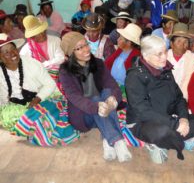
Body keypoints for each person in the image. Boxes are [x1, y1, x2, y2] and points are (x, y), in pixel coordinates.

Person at [125, 35, 194, 164]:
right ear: (146, 56)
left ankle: (165, 142)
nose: (164, 57)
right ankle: (175, 140)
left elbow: (179, 98)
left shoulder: (166, 70)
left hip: (168, 117)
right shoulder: (134, 77)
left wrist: (183, 118)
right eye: (159, 54)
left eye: (165, 52)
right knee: (162, 132)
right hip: (143, 122)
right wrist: (175, 124)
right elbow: (143, 112)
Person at [59, 31, 132, 162]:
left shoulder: (98, 63)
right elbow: (73, 96)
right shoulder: (65, 71)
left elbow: (112, 84)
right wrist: (96, 106)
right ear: (71, 53)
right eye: (79, 48)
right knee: (95, 98)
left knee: (108, 92)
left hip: (105, 110)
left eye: (85, 44)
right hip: (84, 114)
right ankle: (118, 141)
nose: (86, 49)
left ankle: (107, 140)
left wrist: (113, 100)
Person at [0, 33, 79, 146]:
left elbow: (50, 85)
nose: (13, 54)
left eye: (13, 49)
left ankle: (31, 123)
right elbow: (3, 97)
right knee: (8, 116)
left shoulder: (32, 64)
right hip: (19, 105)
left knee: (46, 111)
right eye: (6, 52)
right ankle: (31, 123)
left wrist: (36, 100)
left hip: (43, 97)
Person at [20, 15, 64, 84]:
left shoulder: (55, 40)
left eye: (42, 31)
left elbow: (61, 58)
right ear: (32, 36)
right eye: (38, 33)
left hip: (57, 76)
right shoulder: (26, 50)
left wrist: (43, 65)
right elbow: (24, 69)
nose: (42, 34)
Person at [105, 23, 141, 89]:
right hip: (112, 84)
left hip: (124, 89)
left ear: (129, 42)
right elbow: (108, 64)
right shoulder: (120, 50)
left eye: (121, 38)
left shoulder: (136, 57)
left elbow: (133, 81)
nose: (118, 39)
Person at [167, 23, 194, 100]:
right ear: (171, 44)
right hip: (165, 95)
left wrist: (181, 100)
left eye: (186, 42)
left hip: (182, 97)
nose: (183, 45)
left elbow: (187, 81)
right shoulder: (164, 56)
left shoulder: (191, 57)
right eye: (179, 41)